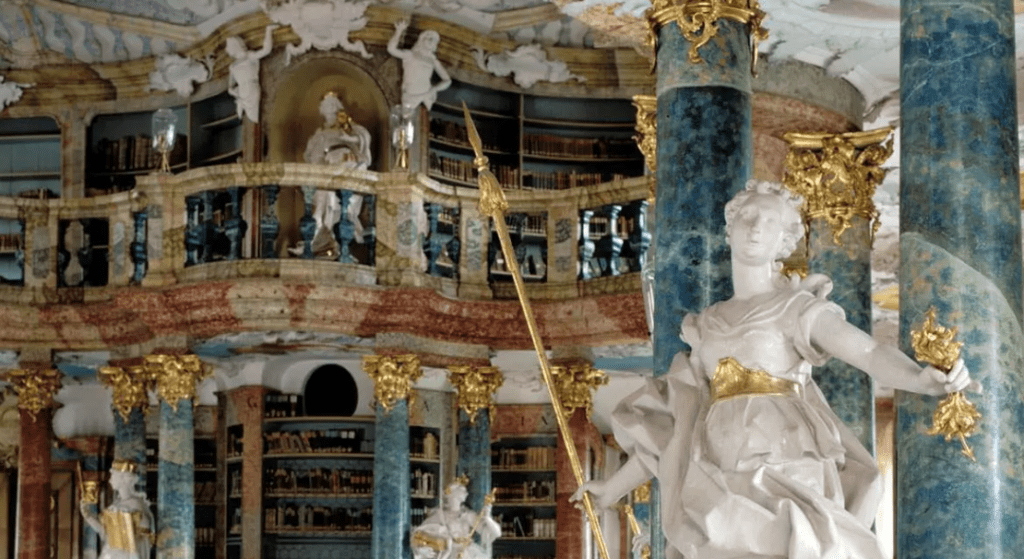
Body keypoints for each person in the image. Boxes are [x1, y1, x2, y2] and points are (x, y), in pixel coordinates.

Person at [573, 180, 977, 559]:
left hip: (786, 451)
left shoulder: (797, 309)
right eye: (748, 217)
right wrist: (612, 487)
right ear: (729, 231)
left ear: (784, 241)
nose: (755, 229)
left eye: (770, 223)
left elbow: (870, 353)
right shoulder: (706, 324)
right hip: (716, 454)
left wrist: (919, 379)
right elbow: (674, 422)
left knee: (795, 541)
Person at [80, 461, 155, 559]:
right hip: (109, 553)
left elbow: (142, 540)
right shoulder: (116, 503)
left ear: (123, 479)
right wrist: (88, 515)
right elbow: (105, 533)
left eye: (113, 476)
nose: (110, 480)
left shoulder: (136, 504)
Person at [411, 477, 500, 559]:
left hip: (466, 553)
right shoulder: (440, 515)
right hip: (448, 553)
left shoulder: (467, 514)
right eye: (462, 490)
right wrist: (420, 549)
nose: (466, 493)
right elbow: (418, 534)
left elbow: (495, 533)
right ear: (452, 493)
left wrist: (488, 519)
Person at [387, 19, 452, 112]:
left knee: (423, 122)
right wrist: (399, 31)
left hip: (426, 97)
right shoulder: (410, 55)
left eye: (434, 39)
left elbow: (447, 81)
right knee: (406, 121)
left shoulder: (433, 60)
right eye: (428, 37)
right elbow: (391, 49)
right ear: (422, 39)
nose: (431, 40)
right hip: (410, 96)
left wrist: (434, 89)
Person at [226, 24, 277, 122]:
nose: (227, 50)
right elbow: (230, 86)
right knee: (251, 118)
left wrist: (268, 31)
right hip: (242, 92)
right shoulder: (232, 66)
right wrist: (232, 91)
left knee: (255, 116)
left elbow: (266, 50)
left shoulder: (249, 56)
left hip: (251, 88)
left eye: (228, 47)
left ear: (234, 46)